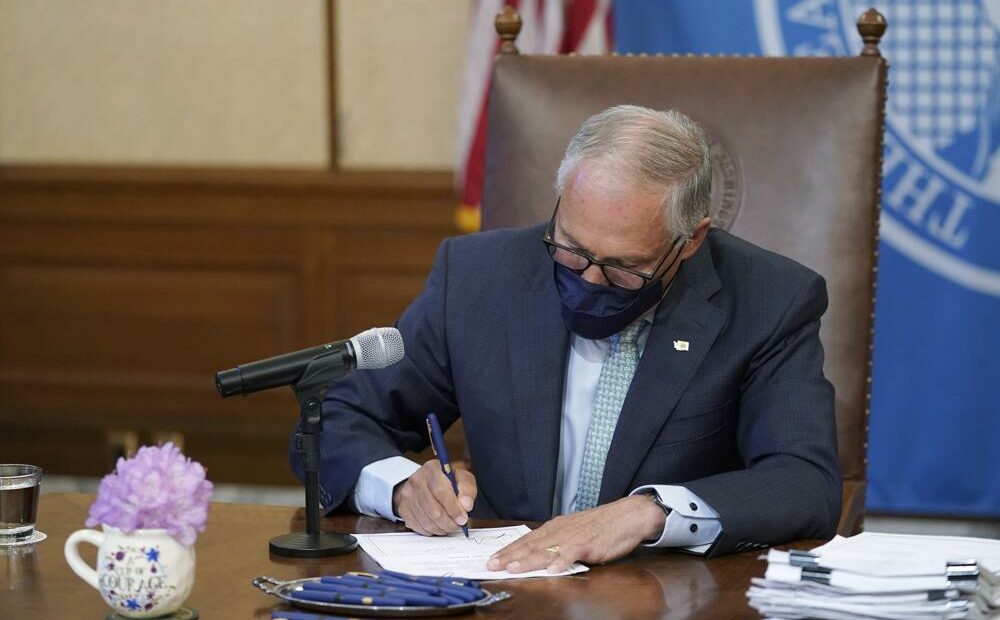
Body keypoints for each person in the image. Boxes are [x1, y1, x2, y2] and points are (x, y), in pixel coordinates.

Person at [290, 105, 840, 571]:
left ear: (690, 239)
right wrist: (402, 486)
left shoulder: (770, 300)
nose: (591, 280)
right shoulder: (481, 276)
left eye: (626, 267)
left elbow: (803, 480)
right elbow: (340, 418)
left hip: (661, 593)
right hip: (504, 587)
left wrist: (650, 513)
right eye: (572, 250)